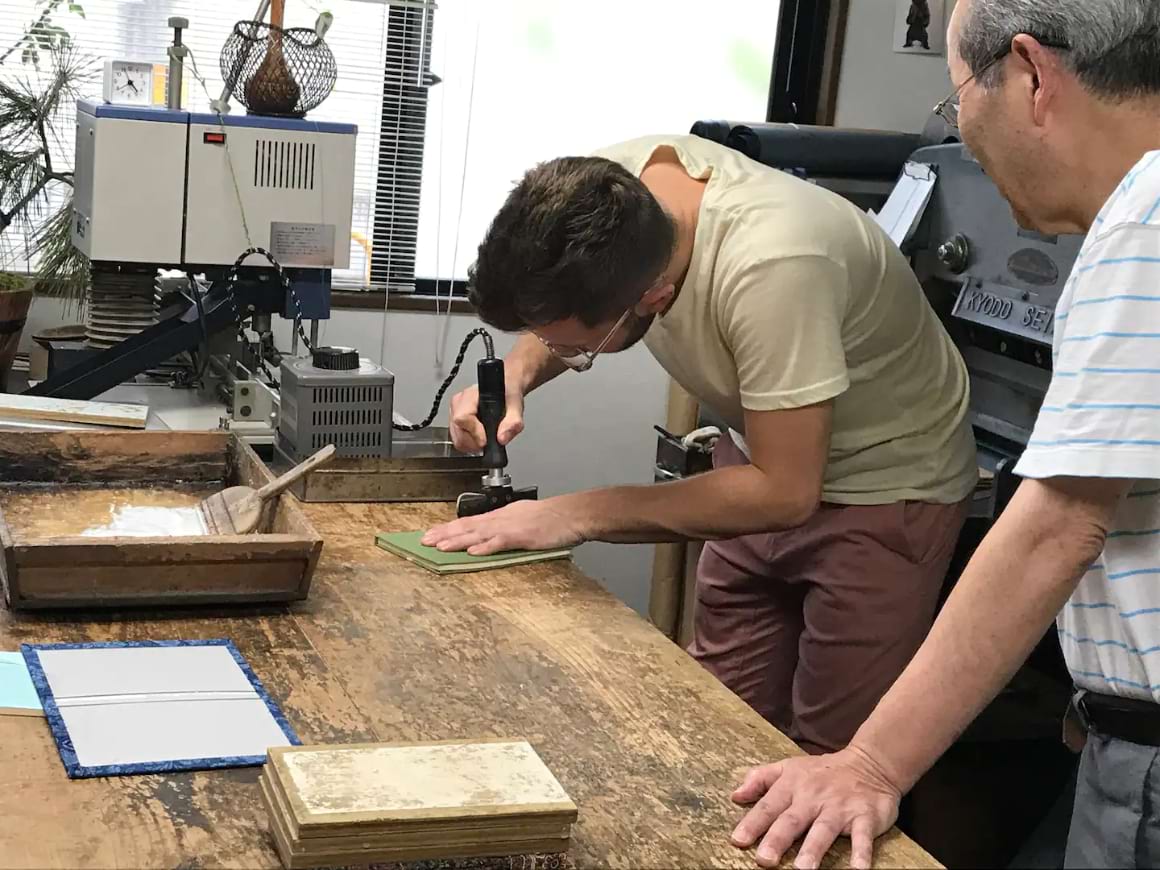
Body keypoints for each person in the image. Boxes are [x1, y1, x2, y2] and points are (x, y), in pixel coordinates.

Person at [726, 1, 1160, 868]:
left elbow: (1057, 526)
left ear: (1032, 75)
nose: (956, 127)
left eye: (955, 94)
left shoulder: (1145, 217)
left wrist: (870, 763)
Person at [422, 129, 978, 755]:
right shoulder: (612, 192)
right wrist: (519, 376)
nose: (565, 354)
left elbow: (786, 492)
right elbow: (564, 312)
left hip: (886, 485)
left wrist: (573, 514)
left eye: (579, 348)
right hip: (760, 461)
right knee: (714, 724)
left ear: (654, 297)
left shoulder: (774, 263)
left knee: (833, 763)